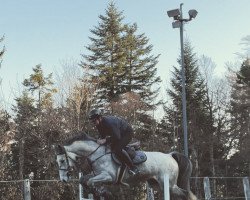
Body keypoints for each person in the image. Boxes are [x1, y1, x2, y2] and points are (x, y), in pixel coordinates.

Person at [88, 108, 140, 176]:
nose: (93, 123)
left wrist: (105, 140)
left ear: (99, 118)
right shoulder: (99, 125)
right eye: (92, 122)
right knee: (109, 147)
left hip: (127, 133)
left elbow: (117, 137)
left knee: (117, 149)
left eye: (94, 121)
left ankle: (133, 168)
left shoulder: (109, 122)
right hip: (118, 134)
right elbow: (102, 136)